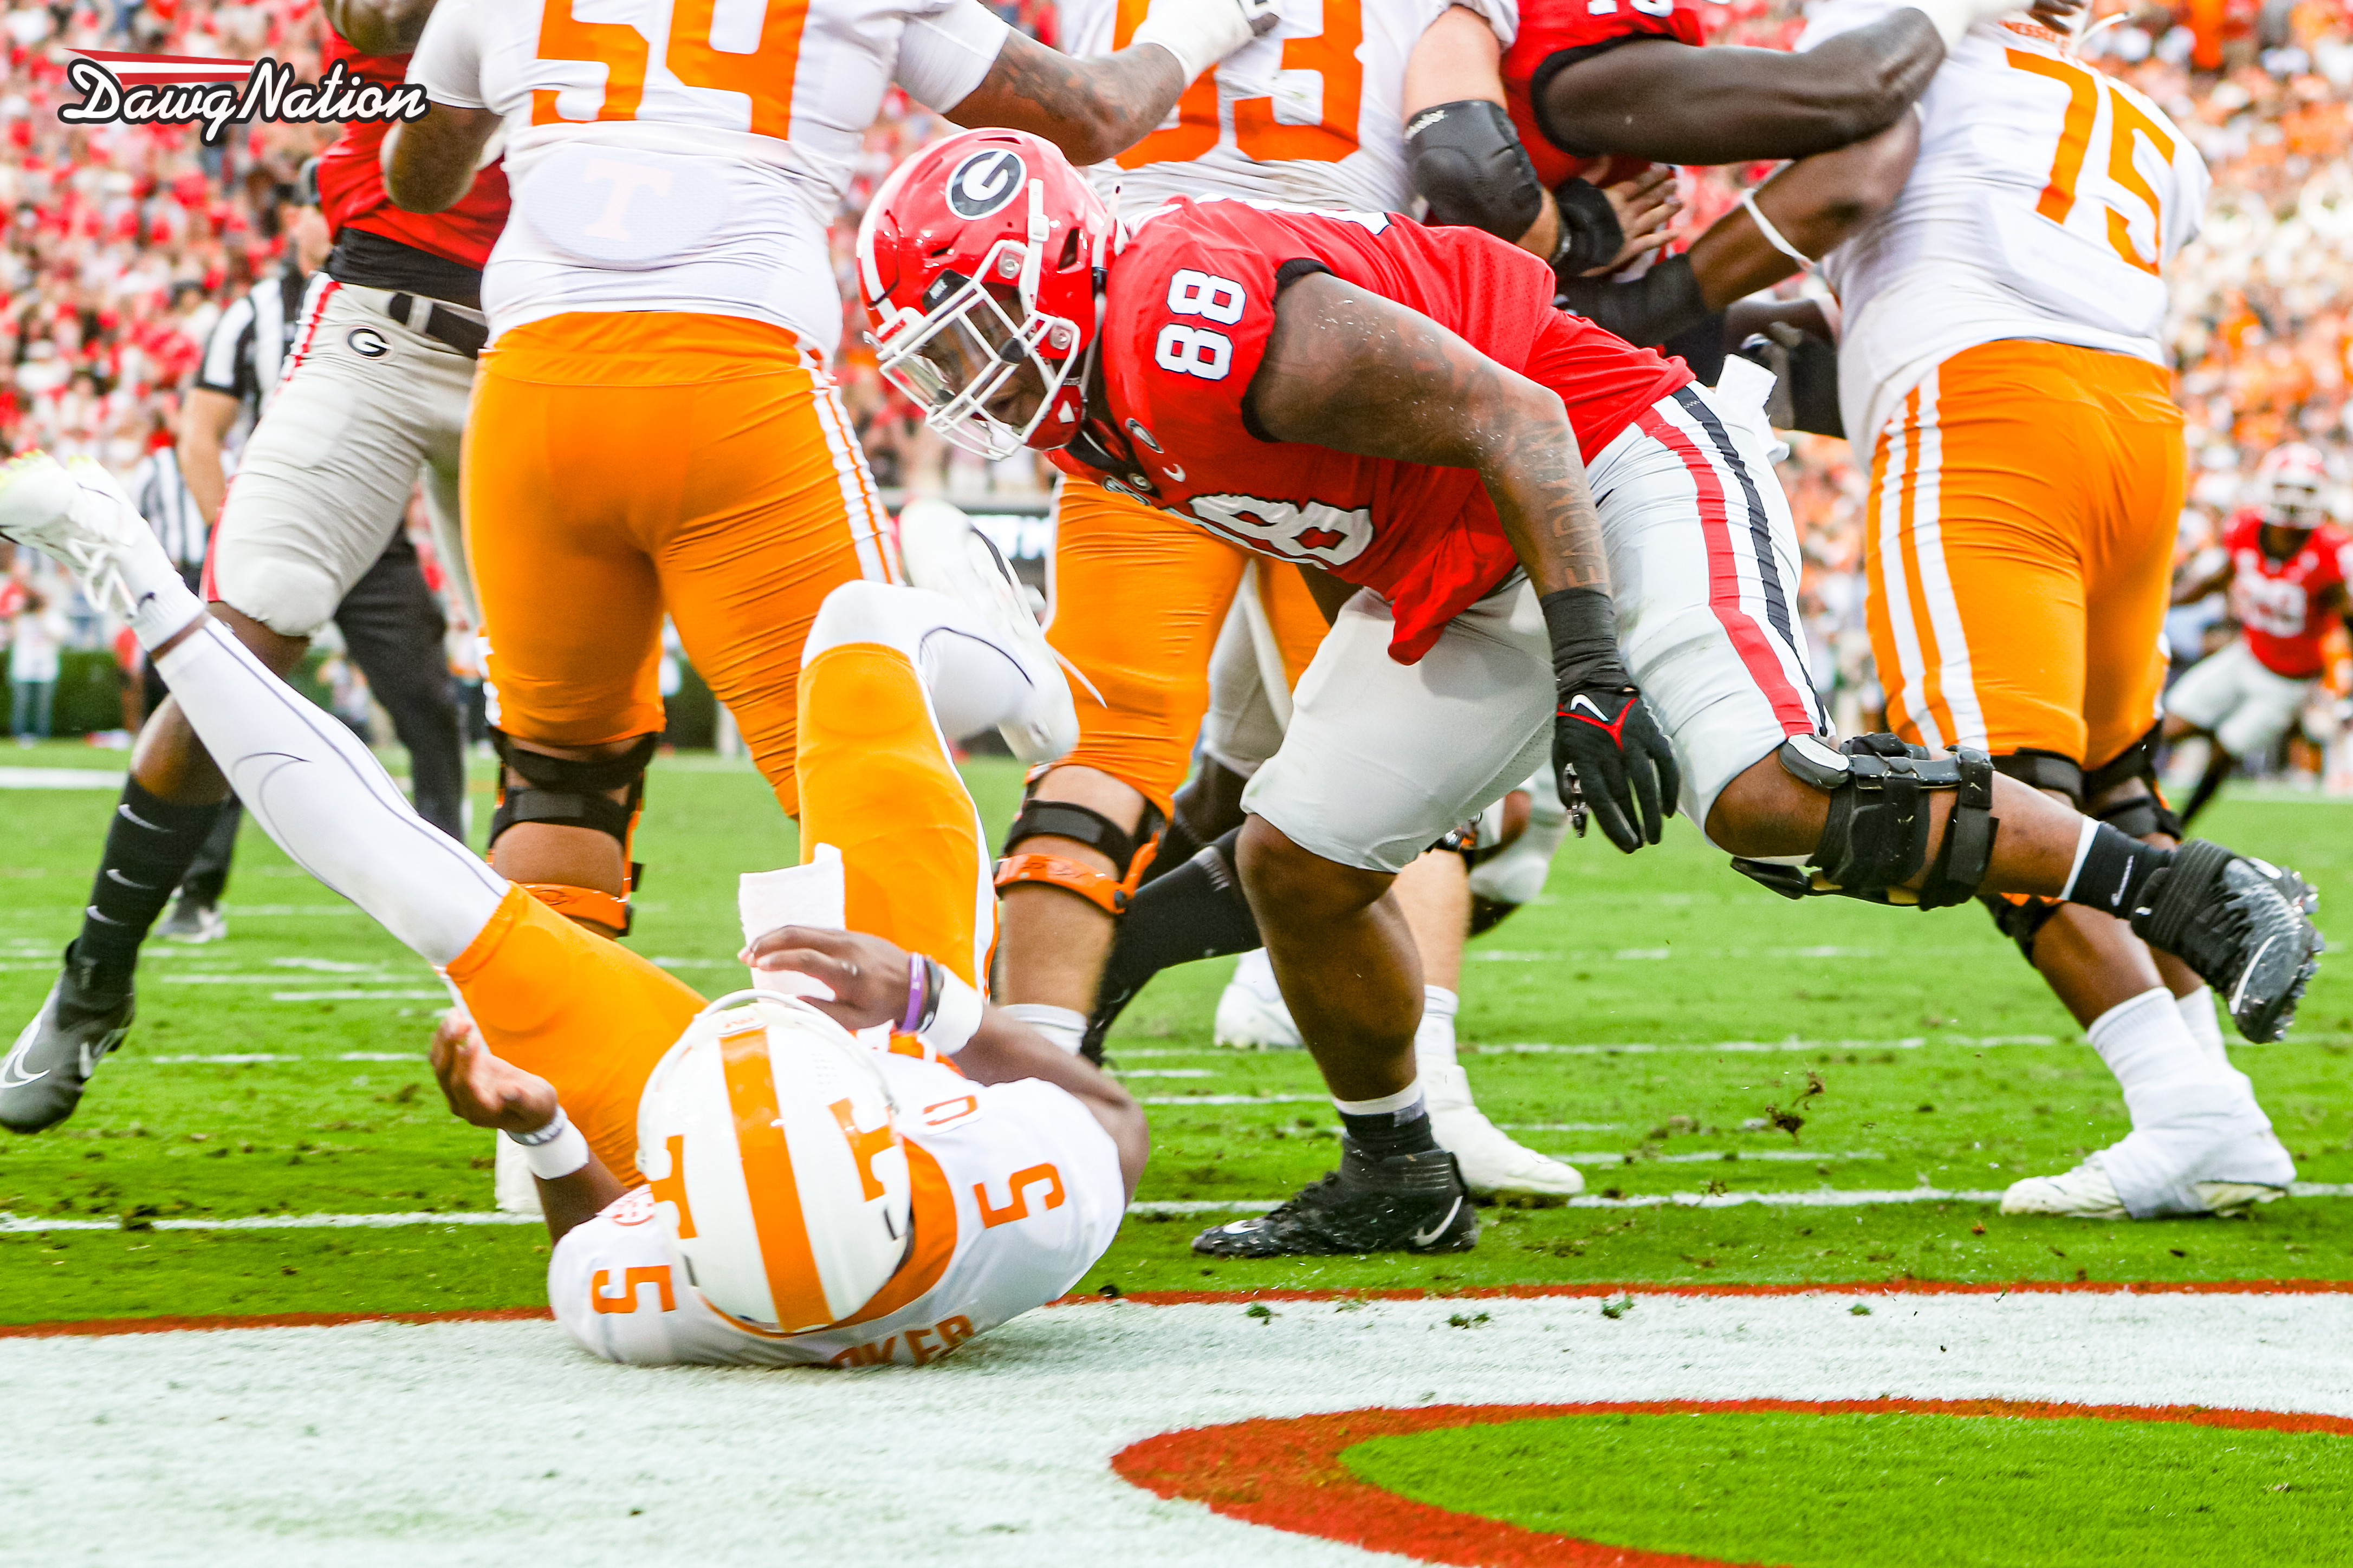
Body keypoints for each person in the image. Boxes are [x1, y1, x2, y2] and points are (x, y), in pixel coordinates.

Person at [858, 127, 2324, 1257]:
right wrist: (1416, 687)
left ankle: (2190, 884)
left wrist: (1586, 667)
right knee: (1296, 863)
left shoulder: (1183, 313)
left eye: (983, 330)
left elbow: (1517, 411)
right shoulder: (1104, 391)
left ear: (1057, 266)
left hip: (1614, 458)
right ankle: (1396, 1175)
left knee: (1761, 798)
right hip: (1461, 545)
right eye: (946, 357)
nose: (975, 379)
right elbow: (1323, 498)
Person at [0, 448, 1140, 1368]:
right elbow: (1115, 1122)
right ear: (893, 1141)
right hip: (905, 1057)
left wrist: (543, 1127)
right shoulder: (1024, 1204)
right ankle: (1031, 683)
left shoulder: (651, 1294)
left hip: (724, 1097)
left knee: (424, 893)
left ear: (673, 1203)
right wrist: (926, 1001)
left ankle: (141, 575)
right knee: (856, 636)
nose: (758, 1004)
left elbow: (593, 1238)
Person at [383, 0, 1282, 944]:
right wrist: (1203, 29)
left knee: (559, 779)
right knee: (868, 759)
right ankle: (909, 1075)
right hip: (731, 378)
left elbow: (419, 176)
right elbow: (1093, 117)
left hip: (532, 388)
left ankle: (545, 1077)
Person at [981, 0, 1677, 1203]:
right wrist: (1575, 227)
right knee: (1391, 744)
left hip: (1111, 331)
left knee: (1105, 743)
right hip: (1343, 336)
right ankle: (1432, 1102)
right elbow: (1467, 163)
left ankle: (1020, 1096)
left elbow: (1071, 119)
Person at [1791, 2, 2306, 1220]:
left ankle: (2182, 1109)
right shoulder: (2142, 119)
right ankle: (2219, 1112)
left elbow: (1826, 200)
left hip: (1977, 410)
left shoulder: (1904, 52)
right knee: (2116, 784)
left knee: (1994, 801)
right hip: (2133, 421)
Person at [0, 0, 508, 1135]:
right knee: (237, 649)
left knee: (556, 703)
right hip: (381, 320)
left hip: (549, 338)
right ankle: (96, 974)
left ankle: (546, 1038)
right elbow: (370, 15)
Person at [2163, 443, 2351, 827]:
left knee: (2224, 749)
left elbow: (2347, 616)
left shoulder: (2330, 551)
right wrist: (2162, 601)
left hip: (2288, 682)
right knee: (2168, 724)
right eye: (2285, 489)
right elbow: (2215, 580)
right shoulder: (2245, 527)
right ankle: (2120, 803)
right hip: (2247, 653)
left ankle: (2175, 825)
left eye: (2304, 492)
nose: (2293, 502)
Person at [5, 569, 63, 744]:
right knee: (21, 704)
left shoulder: (52, 617)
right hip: (23, 668)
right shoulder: (21, 618)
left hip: (45, 669)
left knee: (42, 707)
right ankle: (18, 736)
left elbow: (58, 636)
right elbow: (12, 635)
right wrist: (20, 613)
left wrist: (42, 616)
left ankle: (42, 738)